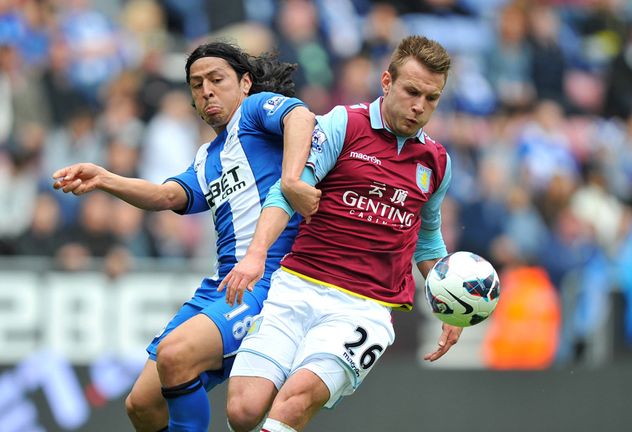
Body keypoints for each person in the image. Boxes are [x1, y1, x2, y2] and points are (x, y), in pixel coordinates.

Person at [52, 41, 317, 432]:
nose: (206, 90)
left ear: (245, 83)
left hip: (268, 282)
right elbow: (164, 196)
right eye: (196, 84)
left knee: (175, 355)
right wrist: (105, 178)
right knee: (142, 404)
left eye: (216, 79)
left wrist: (292, 179)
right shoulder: (207, 157)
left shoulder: (255, 112)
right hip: (220, 285)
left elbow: (300, 116)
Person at [219, 35, 463, 432]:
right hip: (296, 287)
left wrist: (447, 303)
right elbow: (290, 190)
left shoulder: (436, 162)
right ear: (386, 82)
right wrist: (256, 254)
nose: (420, 107)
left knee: (294, 401)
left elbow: (428, 238)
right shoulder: (343, 124)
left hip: (364, 309)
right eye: (412, 91)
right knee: (243, 410)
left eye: (432, 99)